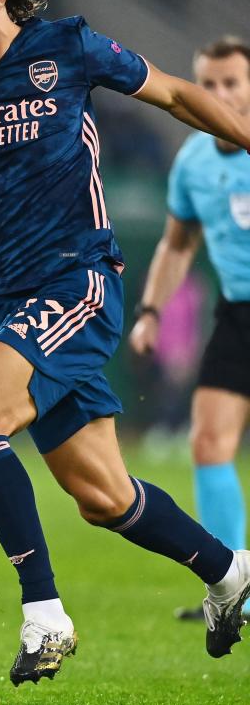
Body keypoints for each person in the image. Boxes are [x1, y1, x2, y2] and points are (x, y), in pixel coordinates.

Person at [0, 0, 250, 686]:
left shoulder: (69, 48)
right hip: (12, 297)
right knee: (104, 497)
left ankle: (44, 613)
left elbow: (179, 95)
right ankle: (229, 572)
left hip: (79, 280)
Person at [129, 36, 250, 621]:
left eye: (233, 82)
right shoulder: (194, 160)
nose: (221, 94)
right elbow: (177, 245)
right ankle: (236, 584)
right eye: (211, 84)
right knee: (208, 442)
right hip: (237, 313)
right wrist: (151, 310)